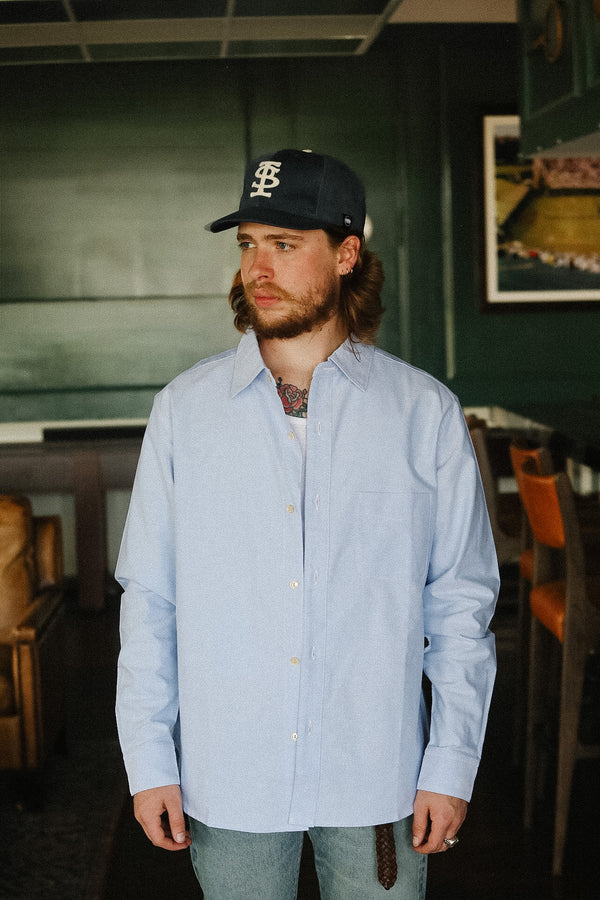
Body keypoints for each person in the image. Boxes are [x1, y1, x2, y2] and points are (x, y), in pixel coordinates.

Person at [115, 148, 499, 899]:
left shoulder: (424, 416)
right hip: (231, 779)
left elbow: (461, 606)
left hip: (378, 779)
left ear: (346, 253)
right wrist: (149, 760)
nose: (259, 266)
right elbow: (150, 601)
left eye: (285, 245)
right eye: (248, 244)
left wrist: (451, 765)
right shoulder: (184, 414)